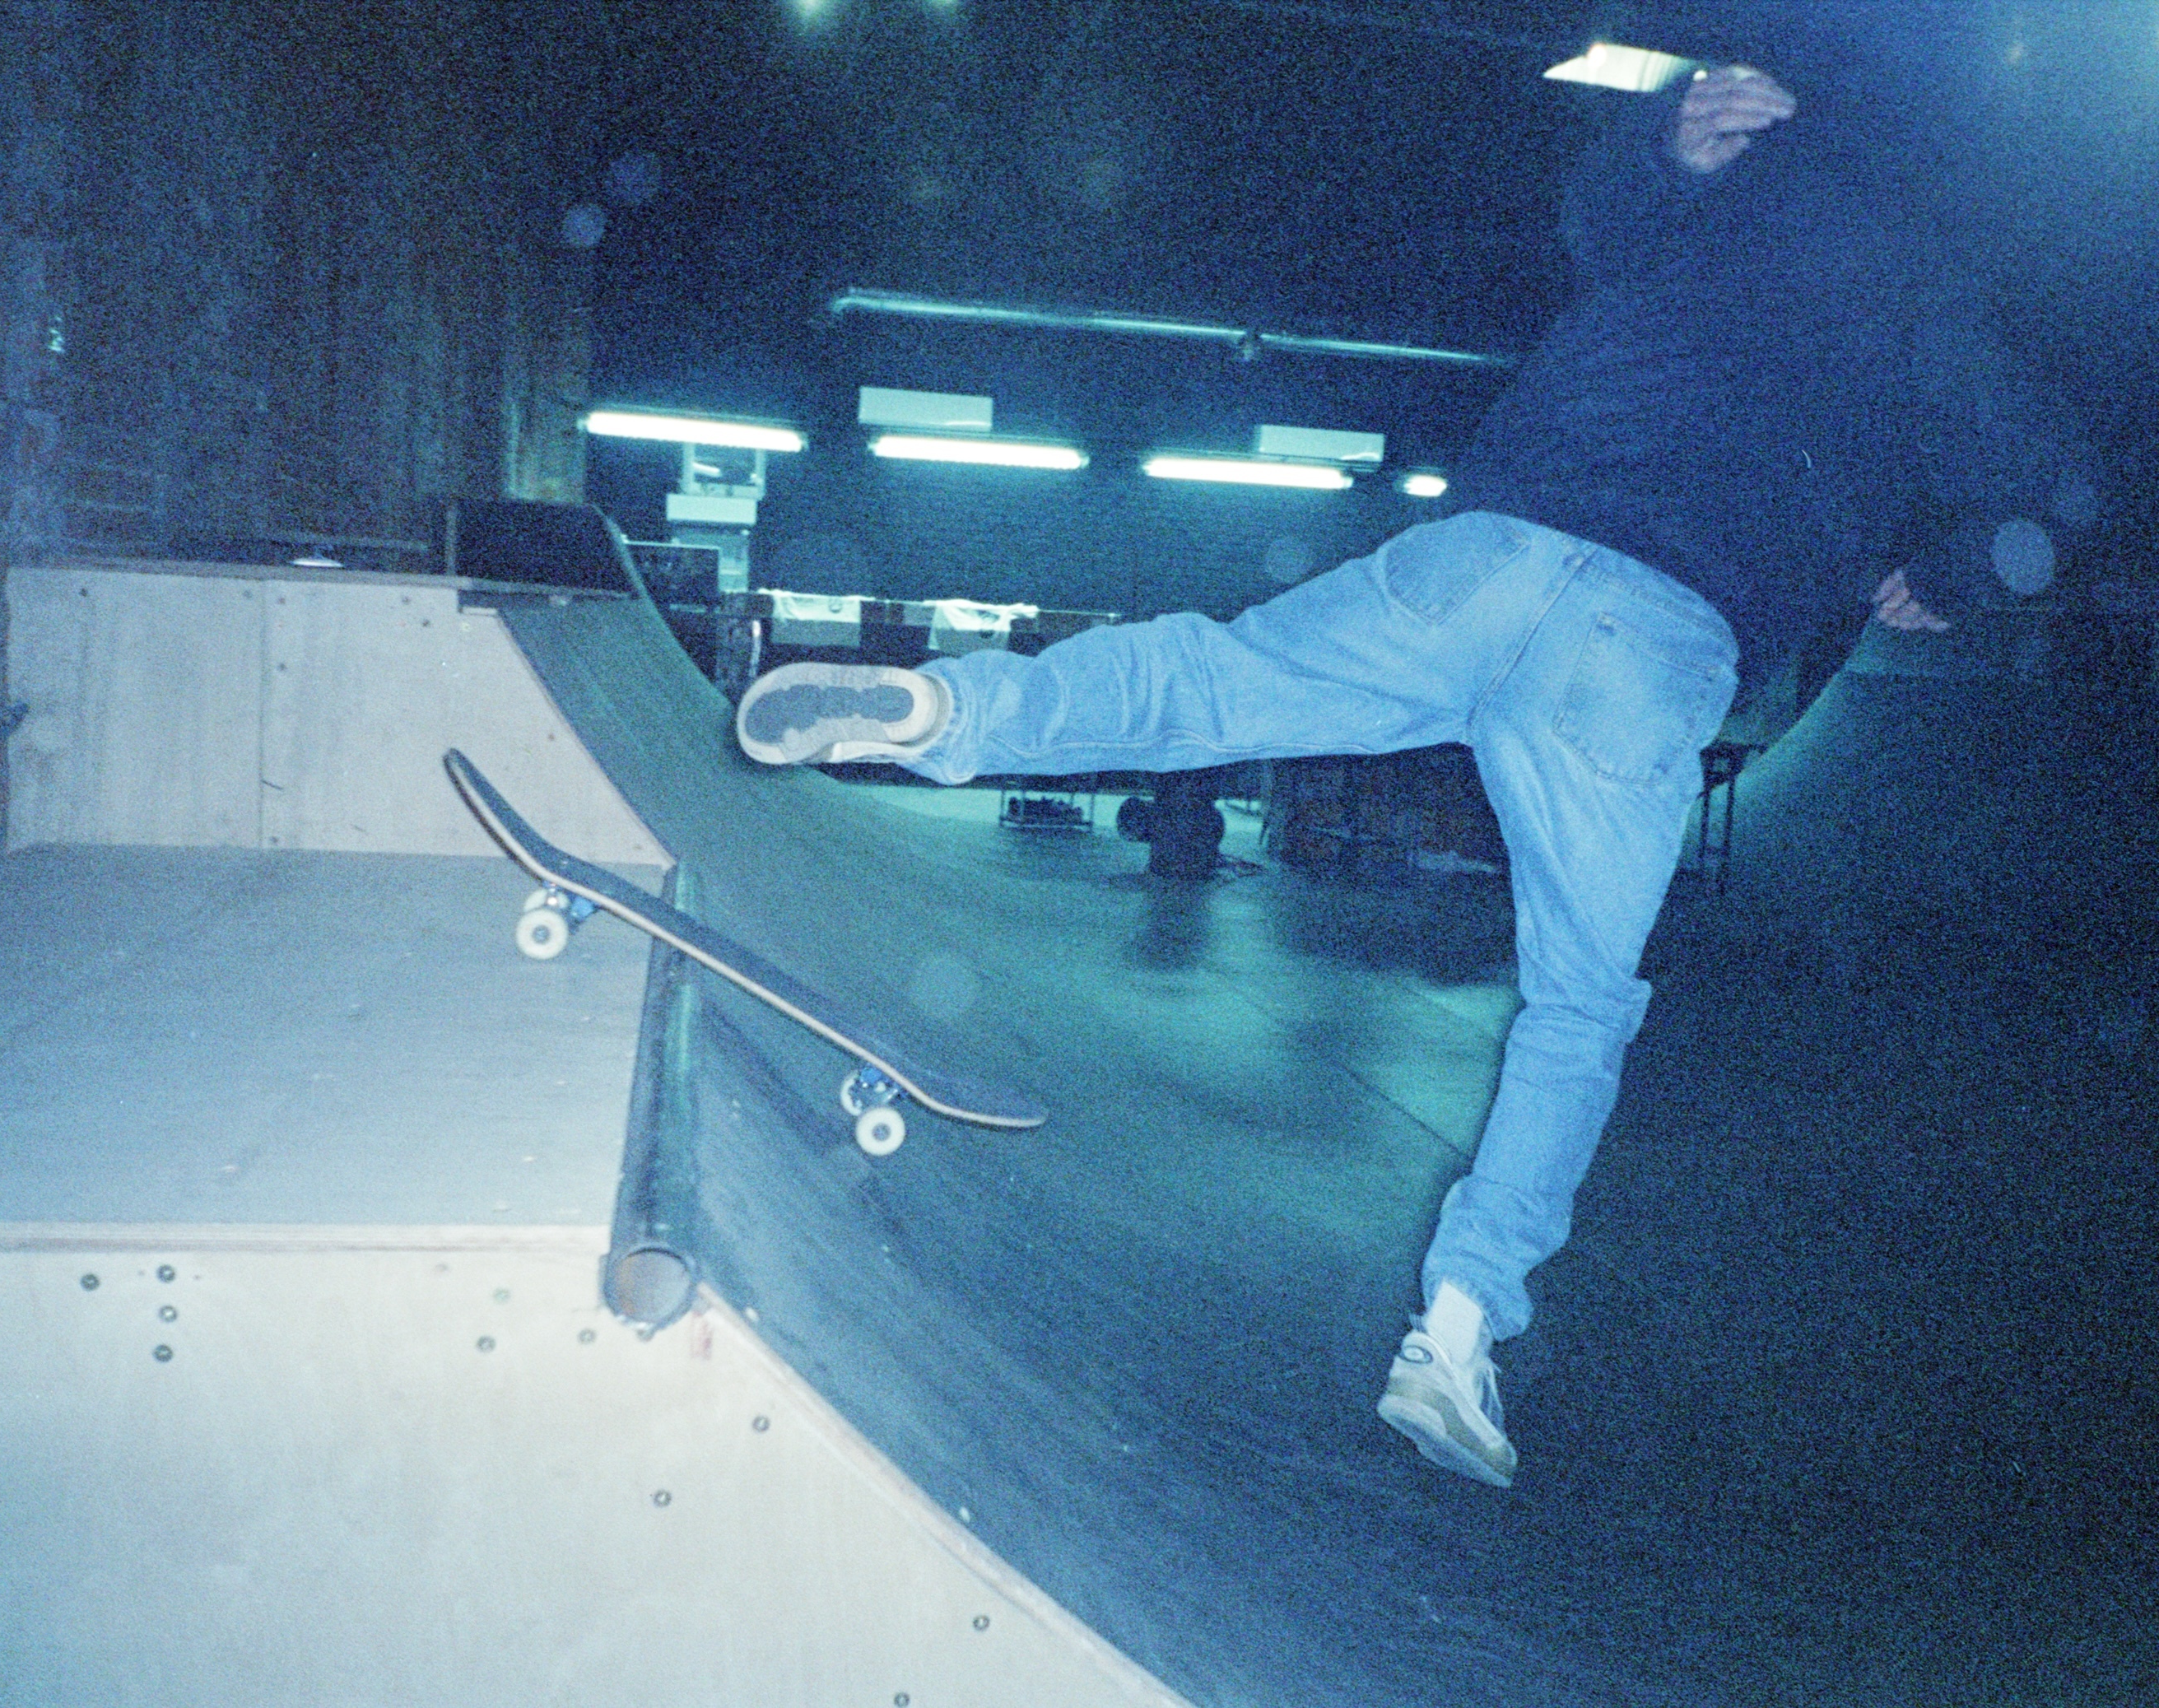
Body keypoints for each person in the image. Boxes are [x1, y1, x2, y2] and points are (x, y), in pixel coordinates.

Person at [734, 59, 2087, 1488]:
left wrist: (1663, 138)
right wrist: (1946, 576)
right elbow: (2059, 488)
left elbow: (1598, 224)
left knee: (1207, 683)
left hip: (1486, 558)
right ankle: (1456, 1338)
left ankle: (941, 709)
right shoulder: (1941, 326)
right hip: (1649, 646)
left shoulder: (1731, 204)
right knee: (1577, 1006)